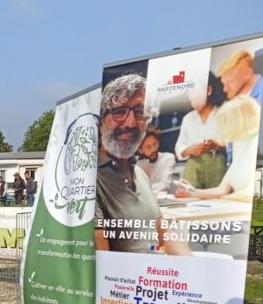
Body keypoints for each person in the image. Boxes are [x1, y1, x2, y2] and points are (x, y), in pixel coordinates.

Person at [94, 73, 189, 255]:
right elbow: (102, 258)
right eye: (119, 112)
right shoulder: (90, 178)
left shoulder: (140, 173)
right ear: (101, 123)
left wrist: (191, 267)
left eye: (139, 112)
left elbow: (164, 234)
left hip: (153, 277)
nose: (130, 123)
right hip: (125, 282)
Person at [176, 95, 260, 202]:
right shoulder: (243, 147)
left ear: (237, 123)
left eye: (225, 123)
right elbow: (222, 189)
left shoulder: (255, 146)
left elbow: (252, 193)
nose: (223, 130)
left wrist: (226, 198)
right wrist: (191, 191)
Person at [174, 72, 228, 188]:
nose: (193, 103)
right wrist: (190, 149)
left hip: (217, 163)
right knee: (189, 199)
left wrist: (216, 145)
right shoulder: (188, 118)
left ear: (208, 90)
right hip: (193, 165)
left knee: (216, 200)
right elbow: (179, 148)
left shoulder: (224, 113)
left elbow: (233, 144)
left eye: (196, 97)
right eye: (191, 99)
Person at [135, 129, 176, 193]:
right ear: (140, 150)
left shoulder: (168, 158)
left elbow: (164, 185)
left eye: (155, 144)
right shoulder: (135, 163)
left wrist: (143, 188)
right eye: (148, 147)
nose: (153, 149)